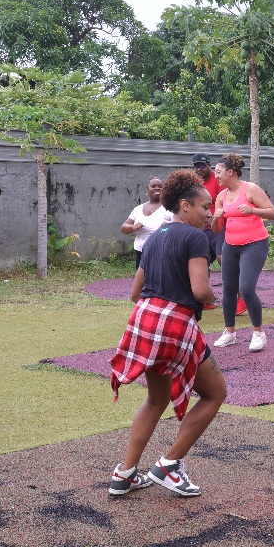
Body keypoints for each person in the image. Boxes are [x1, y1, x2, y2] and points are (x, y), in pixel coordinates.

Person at [108, 169, 227, 498]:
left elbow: (135, 292)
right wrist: (217, 299)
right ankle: (169, 465)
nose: (210, 214)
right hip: (174, 322)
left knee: (156, 398)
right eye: (205, 207)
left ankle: (125, 474)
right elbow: (200, 289)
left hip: (144, 320)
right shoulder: (195, 238)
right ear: (185, 206)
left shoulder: (155, 236)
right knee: (215, 393)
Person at [211, 153, 274, 352]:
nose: (216, 176)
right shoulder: (221, 197)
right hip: (230, 245)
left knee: (246, 288)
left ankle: (258, 333)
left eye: (219, 172)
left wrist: (252, 211)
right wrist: (216, 218)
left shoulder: (250, 189)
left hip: (254, 244)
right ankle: (229, 332)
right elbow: (216, 229)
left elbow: (273, 213)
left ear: (231, 172)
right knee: (228, 290)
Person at [120, 176, 172, 268]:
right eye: (153, 186)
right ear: (147, 189)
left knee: (158, 279)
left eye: (160, 186)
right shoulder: (138, 209)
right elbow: (123, 227)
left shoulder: (170, 208)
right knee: (142, 279)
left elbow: (180, 226)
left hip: (161, 252)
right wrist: (132, 227)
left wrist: (169, 226)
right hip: (141, 252)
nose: (157, 188)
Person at [192, 153, 222, 266]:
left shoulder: (218, 179)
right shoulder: (196, 182)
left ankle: (234, 282)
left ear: (209, 165)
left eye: (202, 166)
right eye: (196, 166)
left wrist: (215, 218)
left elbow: (225, 201)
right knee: (199, 261)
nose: (199, 169)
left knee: (222, 257)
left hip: (217, 225)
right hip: (201, 226)